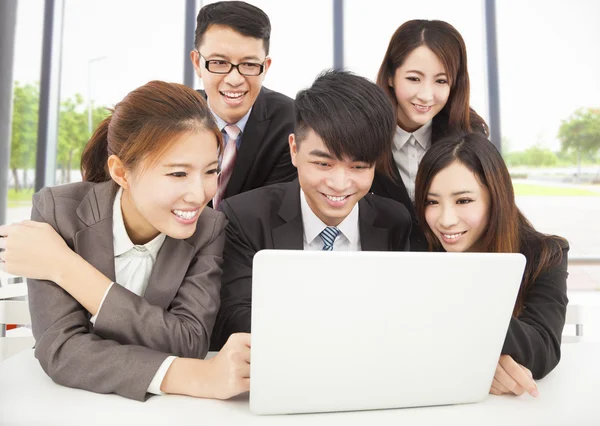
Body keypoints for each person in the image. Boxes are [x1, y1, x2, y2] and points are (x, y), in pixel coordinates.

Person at [0, 81, 250, 401]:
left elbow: (188, 341)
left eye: (210, 172)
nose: (199, 194)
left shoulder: (209, 228)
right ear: (120, 171)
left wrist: (65, 267)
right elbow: (61, 348)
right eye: (178, 174)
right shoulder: (57, 212)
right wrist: (196, 377)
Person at [210, 69, 413, 350]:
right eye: (323, 164)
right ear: (294, 149)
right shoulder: (245, 217)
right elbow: (234, 318)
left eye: (358, 167)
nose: (339, 184)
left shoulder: (396, 222)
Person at [414, 132, 569, 398]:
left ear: (496, 198)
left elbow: (543, 351)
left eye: (463, 200)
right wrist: (481, 361)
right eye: (432, 201)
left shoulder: (546, 253)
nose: (446, 220)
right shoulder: (416, 247)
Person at [372, 19, 489, 250]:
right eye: (414, 78)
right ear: (390, 77)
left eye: (441, 81)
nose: (426, 95)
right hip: (382, 266)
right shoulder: (363, 134)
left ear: (454, 84)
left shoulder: (470, 135)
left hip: (451, 266)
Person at [190, 1, 297, 208]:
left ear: (265, 67)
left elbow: (270, 212)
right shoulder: (171, 119)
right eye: (219, 62)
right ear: (197, 63)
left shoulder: (291, 124)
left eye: (249, 64)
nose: (234, 79)